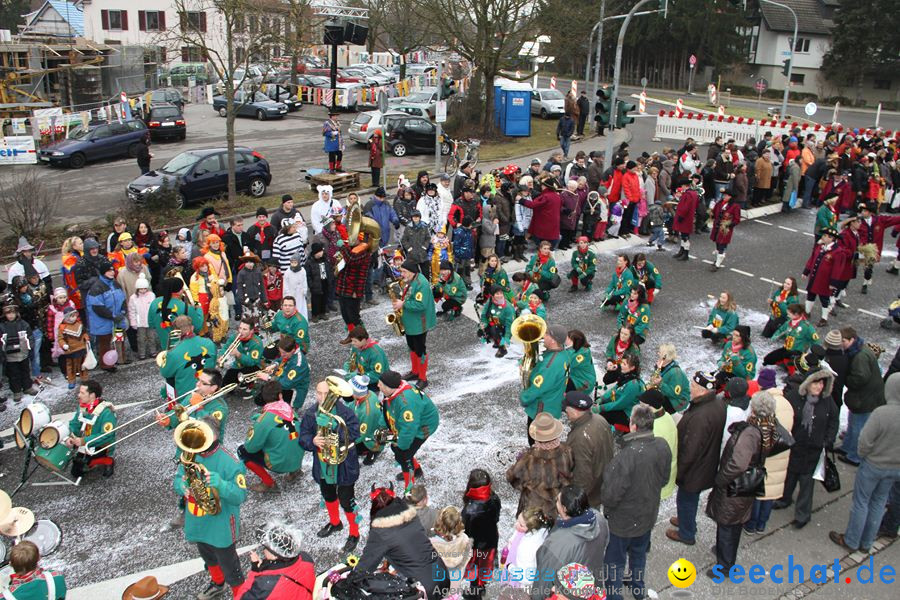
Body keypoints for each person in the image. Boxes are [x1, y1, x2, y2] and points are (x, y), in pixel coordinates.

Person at [601, 403, 671, 600]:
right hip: (647, 515)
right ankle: (638, 588)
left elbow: (611, 494)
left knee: (614, 561)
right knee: (639, 555)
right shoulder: (662, 446)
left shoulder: (627, 455)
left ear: (632, 425)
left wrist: (609, 509)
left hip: (623, 522)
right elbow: (664, 479)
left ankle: (615, 596)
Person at [174, 416, 247, 600]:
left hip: (220, 523)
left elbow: (240, 496)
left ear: (213, 435)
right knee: (208, 557)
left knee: (230, 565)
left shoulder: (231, 462)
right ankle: (218, 583)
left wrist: (221, 485)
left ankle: (240, 594)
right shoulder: (190, 455)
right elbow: (177, 479)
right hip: (197, 518)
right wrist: (183, 487)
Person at [707, 393, 776, 577]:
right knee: (736, 519)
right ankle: (725, 551)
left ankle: (725, 565)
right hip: (752, 477)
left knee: (728, 521)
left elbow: (738, 463)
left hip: (737, 482)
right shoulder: (769, 426)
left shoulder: (750, 433)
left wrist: (721, 478)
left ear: (753, 409)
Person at [830, 373, 900, 552]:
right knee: (879, 502)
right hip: (894, 468)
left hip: (873, 465)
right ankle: (867, 543)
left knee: (861, 502)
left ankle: (852, 540)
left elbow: (865, 440)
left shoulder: (881, 413)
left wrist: (863, 455)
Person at [298, 378, 362, 552]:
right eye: (319, 393)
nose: (322, 397)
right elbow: (302, 437)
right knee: (328, 494)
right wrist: (312, 440)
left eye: (326, 394)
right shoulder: (311, 414)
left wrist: (337, 429)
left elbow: (356, 432)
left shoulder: (346, 412)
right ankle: (335, 523)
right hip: (324, 464)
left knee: (347, 501)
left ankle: (354, 533)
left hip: (344, 465)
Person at [355, 486, 450, 600]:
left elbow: (365, 567)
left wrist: (350, 581)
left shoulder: (380, 532)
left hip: (423, 588)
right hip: (442, 574)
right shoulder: (411, 516)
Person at [667, 371, 726, 546]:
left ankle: (686, 533)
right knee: (689, 499)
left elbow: (690, 449)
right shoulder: (717, 404)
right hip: (706, 462)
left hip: (695, 469)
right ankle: (686, 521)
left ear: (702, 390)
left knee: (686, 499)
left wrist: (680, 470)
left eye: (692, 386)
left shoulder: (700, 416)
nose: (689, 388)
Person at [775, 368, 838, 528]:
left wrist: (827, 440)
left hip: (813, 450)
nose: (819, 387)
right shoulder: (794, 397)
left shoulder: (827, 401)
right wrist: (787, 438)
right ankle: (784, 499)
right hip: (795, 446)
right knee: (790, 476)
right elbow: (782, 418)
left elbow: (833, 421)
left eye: (822, 383)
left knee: (806, 482)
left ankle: (803, 515)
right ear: (808, 383)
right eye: (816, 382)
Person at [531, 486, 608, 600]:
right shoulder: (600, 520)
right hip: (592, 589)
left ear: (564, 509)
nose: (555, 502)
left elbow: (542, 583)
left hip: (566, 595)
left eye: (557, 500)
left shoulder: (555, 544)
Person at [377, 370, 440, 489]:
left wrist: (401, 446)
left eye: (381, 384)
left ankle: (409, 488)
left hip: (423, 427)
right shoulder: (392, 391)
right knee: (392, 445)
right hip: (411, 423)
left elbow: (409, 429)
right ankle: (416, 469)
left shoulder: (406, 403)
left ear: (389, 387)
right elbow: (386, 409)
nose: (378, 385)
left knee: (403, 455)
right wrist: (382, 427)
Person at [745, 385, 795, 534]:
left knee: (755, 495)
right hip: (779, 462)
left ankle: (750, 524)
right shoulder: (787, 406)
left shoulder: (756, 428)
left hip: (761, 464)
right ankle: (762, 524)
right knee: (769, 495)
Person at [507, 412, 574, 521]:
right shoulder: (567, 450)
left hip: (534, 508)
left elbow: (512, 477)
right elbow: (571, 471)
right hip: (559, 505)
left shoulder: (529, 457)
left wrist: (526, 487)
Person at [238, 380, 302, 493]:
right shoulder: (289, 409)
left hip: (279, 463)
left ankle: (269, 483)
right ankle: (295, 471)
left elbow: (250, 448)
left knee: (242, 452)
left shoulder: (263, 420)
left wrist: (258, 425)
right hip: (297, 459)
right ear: (280, 395)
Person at [234, 521, 315, 600]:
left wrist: (255, 571)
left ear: (275, 555)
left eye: (265, 548)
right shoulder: (305, 558)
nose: (263, 550)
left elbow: (241, 597)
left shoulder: (265, 585)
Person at [840, 326, 885, 466]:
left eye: (843, 341)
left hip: (865, 399)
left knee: (858, 427)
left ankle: (854, 456)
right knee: (853, 424)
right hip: (866, 397)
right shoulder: (860, 350)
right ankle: (846, 448)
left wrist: (845, 378)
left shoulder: (859, 357)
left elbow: (860, 378)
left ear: (852, 339)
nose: (841, 344)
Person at [563, 391, 614, 509]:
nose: (565, 411)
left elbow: (582, 476)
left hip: (590, 495)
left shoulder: (580, 438)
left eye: (567, 410)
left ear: (576, 413)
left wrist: (575, 502)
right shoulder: (599, 419)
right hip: (602, 479)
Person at [520, 325, 570, 442]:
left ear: (553, 340)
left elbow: (537, 389)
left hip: (541, 409)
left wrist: (524, 397)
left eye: (546, 334)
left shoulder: (550, 365)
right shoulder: (564, 354)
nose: (543, 336)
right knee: (547, 439)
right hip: (553, 404)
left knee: (535, 439)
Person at [393, 260, 437, 389]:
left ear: (412, 272)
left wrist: (403, 304)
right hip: (411, 321)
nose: (402, 274)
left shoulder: (421, 283)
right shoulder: (412, 280)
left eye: (404, 272)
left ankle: (423, 378)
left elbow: (421, 305)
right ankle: (415, 371)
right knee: (411, 347)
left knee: (420, 349)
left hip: (419, 323)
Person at [461, 468, 501, 597]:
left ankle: (475, 593)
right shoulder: (494, 498)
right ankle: (481, 585)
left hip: (476, 547)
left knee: (475, 569)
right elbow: (496, 518)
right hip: (491, 539)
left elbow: (466, 531)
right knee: (485, 565)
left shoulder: (469, 510)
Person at [158, 315, 217, 401]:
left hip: (186, 398)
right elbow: (213, 364)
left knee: (170, 380)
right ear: (192, 328)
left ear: (176, 331)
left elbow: (165, 373)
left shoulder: (173, 352)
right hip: (208, 391)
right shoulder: (209, 343)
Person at [65, 380, 117, 478]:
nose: (78, 395)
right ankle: (90, 460)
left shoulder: (106, 412)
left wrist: (84, 441)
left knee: (84, 463)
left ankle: (108, 459)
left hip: (101, 444)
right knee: (76, 472)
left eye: (82, 393)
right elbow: (75, 424)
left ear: (92, 395)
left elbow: (107, 435)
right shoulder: (82, 408)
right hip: (86, 442)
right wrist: (70, 437)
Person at [85, 258, 127, 372]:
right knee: (105, 343)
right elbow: (97, 307)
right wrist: (113, 316)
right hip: (103, 322)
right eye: (109, 271)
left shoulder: (115, 283)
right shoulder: (96, 287)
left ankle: (121, 358)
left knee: (119, 339)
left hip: (117, 320)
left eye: (113, 270)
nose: (112, 272)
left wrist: (122, 312)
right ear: (103, 272)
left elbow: (123, 299)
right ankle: (106, 364)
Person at [147, 276, 203, 349]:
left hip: (165, 345)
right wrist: (199, 310)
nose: (183, 290)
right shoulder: (186, 307)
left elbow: (151, 324)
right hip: (183, 346)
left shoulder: (154, 303)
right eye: (182, 288)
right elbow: (197, 327)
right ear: (179, 291)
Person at [429, 507, 473, 596]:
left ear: (439, 523)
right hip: (453, 587)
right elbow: (468, 557)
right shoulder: (465, 539)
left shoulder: (431, 543)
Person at [801, 227, 841, 326]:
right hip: (814, 278)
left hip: (825, 281)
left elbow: (837, 269)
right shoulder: (820, 247)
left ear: (831, 238)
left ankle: (824, 318)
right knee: (810, 295)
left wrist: (833, 282)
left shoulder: (837, 252)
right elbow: (812, 259)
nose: (822, 237)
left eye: (825, 236)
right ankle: (807, 312)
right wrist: (806, 271)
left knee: (824, 299)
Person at [594, 354, 644, 432]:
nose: (621, 365)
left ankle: (605, 433)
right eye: (622, 363)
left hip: (629, 415)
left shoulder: (633, 385)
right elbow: (614, 390)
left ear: (632, 367)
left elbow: (620, 404)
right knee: (600, 404)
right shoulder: (626, 376)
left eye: (624, 364)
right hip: (623, 407)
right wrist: (602, 399)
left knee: (602, 414)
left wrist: (601, 407)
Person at [1, 302, 37, 402]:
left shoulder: (23, 324)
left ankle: (27, 387)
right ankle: (16, 391)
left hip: (23, 354)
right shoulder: (2, 326)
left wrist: (30, 348)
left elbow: (30, 337)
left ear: (17, 313)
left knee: (25, 371)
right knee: (14, 374)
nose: (11, 315)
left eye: (13, 313)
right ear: (5, 314)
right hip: (10, 356)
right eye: (8, 313)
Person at [220, 317, 263, 391]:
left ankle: (250, 384)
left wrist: (238, 354)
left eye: (244, 329)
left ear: (251, 331)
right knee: (225, 385)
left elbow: (252, 362)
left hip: (252, 366)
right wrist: (221, 356)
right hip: (238, 365)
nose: (241, 331)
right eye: (240, 328)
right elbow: (226, 347)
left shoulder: (256, 343)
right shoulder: (235, 336)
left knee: (243, 380)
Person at [650, 344, 690, 413]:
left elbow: (675, 393)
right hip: (666, 394)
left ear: (665, 357)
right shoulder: (664, 365)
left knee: (653, 406)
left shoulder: (676, 373)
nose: (658, 353)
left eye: (660, 352)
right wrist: (657, 369)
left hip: (677, 402)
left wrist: (661, 384)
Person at [56, 306, 90, 389]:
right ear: (67, 317)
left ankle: (85, 379)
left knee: (83, 365)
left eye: (75, 315)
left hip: (81, 349)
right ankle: (71, 380)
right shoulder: (62, 327)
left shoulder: (79, 324)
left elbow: (84, 333)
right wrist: (63, 345)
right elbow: (60, 338)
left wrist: (86, 338)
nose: (74, 318)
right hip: (70, 351)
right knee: (71, 367)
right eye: (72, 316)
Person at [709, 188, 742, 271]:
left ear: (731, 197)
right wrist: (711, 214)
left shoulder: (735, 206)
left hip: (725, 229)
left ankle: (717, 264)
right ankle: (717, 260)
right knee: (717, 244)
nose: (724, 196)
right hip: (717, 227)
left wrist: (729, 225)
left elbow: (737, 219)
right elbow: (714, 212)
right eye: (724, 195)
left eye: (726, 195)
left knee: (722, 245)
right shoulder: (720, 203)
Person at [479, 285, 514, 358]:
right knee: (481, 332)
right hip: (494, 323)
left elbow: (509, 325)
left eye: (501, 293)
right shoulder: (490, 301)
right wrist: (483, 324)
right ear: (492, 295)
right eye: (497, 294)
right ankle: (495, 340)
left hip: (504, 327)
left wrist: (507, 337)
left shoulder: (507, 307)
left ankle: (502, 348)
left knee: (494, 330)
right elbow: (484, 314)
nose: (500, 295)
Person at [127, 274, 156, 360]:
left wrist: (154, 319)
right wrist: (133, 322)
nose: (143, 290)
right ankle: (142, 353)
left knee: (152, 337)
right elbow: (132, 311)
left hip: (150, 321)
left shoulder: (151, 295)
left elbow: (154, 308)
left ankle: (153, 351)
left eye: (144, 288)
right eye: (141, 289)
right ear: (137, 288)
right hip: (140, 323)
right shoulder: (133, 298)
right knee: (141, 339)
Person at [672, 184, 700, 261]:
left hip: (685, 218)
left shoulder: (688, 195)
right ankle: (682, 251)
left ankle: (685, 253)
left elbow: (685, 207)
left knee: (685, 237)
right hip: (689, 217)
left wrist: (681, 216)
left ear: (685, 186)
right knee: (684, 235)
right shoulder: (694, 194)